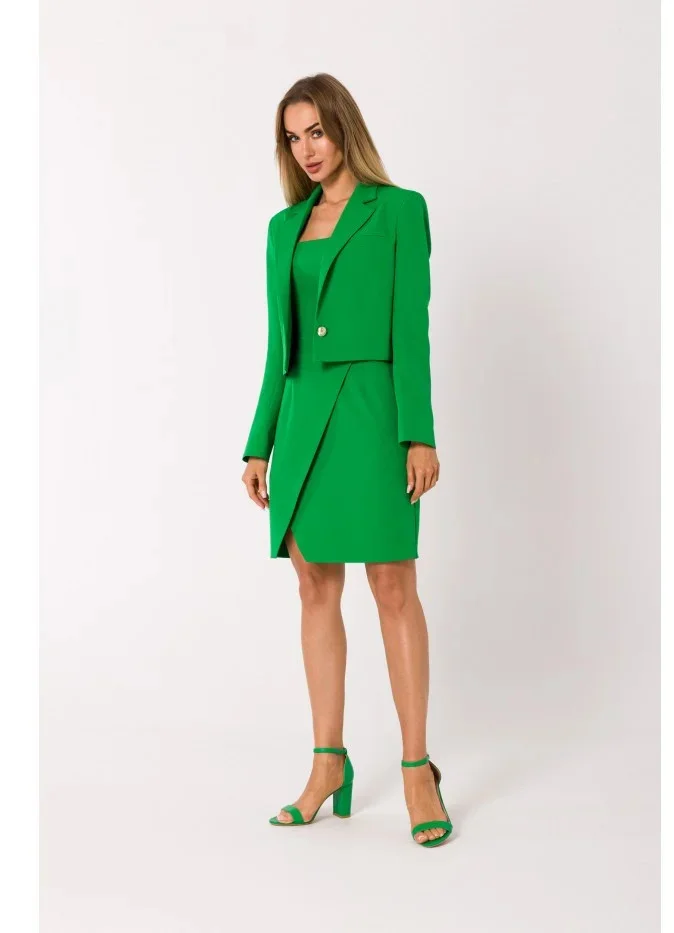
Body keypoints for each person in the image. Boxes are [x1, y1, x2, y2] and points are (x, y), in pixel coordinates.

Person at [241, 73, 452, 847]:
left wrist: (418, 432)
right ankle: (327, 763)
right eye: (293, 137)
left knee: (393, 584)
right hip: (304, 421)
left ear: (343, 127)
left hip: (372, 414)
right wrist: (259, 440)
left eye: (317, 132)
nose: (307, 149)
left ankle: (417, 769)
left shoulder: (399, 210)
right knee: (313, 586)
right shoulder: (283, 228)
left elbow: (411, 329)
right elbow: (281, 346)